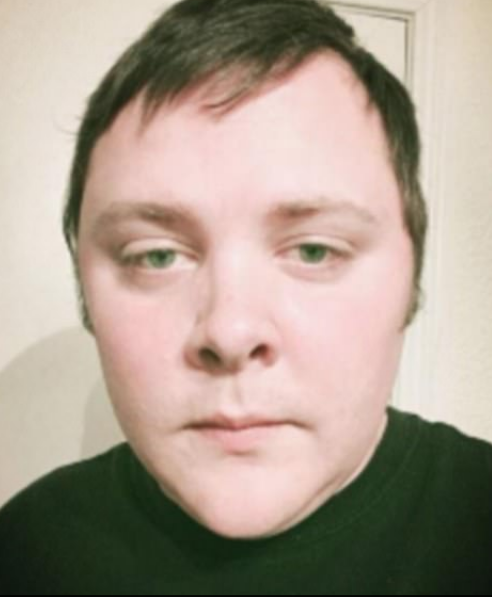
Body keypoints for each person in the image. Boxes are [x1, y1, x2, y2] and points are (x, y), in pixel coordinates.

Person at [0, 0, 491, 594]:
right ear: (85, 292)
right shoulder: (25, 550)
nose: (230, 332)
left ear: (412, 280)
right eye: (156, 255)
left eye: (314, 250)